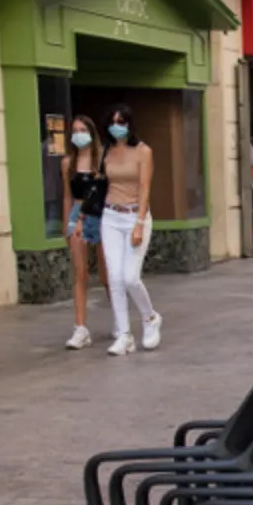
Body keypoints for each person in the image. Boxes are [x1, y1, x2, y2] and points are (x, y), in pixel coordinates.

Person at [99, 104, 162, 356]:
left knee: (130, 277)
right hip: (110, 216)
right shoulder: (107, 151)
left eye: (122, 121)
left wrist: (138, 223)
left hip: (135, 216)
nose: (117, 126)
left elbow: (145, 187)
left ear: (130, 124)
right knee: (114, 278)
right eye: (113, 121)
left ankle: (150, 317)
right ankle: (124, 335)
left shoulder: (143, 151)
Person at [60, 115, 112, 349]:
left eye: (83, 130)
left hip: (99, 214)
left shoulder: (102, 160)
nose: (78, 134)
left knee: (105, 274)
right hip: (77, 214)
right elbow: (67, 195)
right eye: (75, 130)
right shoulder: (68, 162)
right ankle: (80, 327)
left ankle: (119, 320)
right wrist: (66, 222)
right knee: (80, 274)